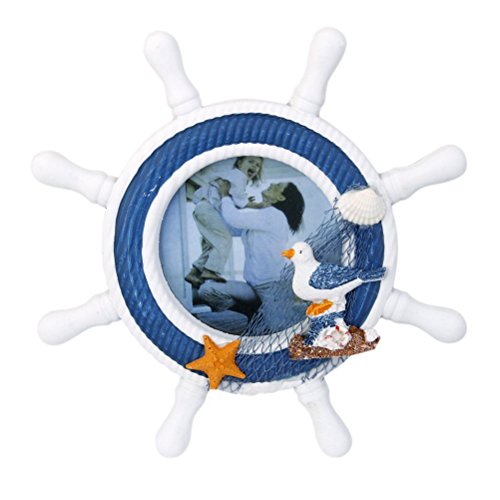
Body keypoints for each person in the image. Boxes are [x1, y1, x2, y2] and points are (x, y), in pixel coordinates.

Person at [198, 181, 305, 333]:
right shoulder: (262, 216)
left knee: (276, 330)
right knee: (207, 290)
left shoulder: (274, 215)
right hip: (252, 287)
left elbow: (234, 218)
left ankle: (262, 313)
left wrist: (225, 195)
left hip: (271, 287)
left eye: (277, 186)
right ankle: (251, 311)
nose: (272, 184)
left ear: (280, 198)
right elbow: (231, 227)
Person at [185, 156, 265, 287]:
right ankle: (210, 270)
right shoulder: (238, 176)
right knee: (224, 239)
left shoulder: (232, 176)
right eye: (251, 162)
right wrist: (257, 205)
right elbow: (239, 200)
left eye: (258, 165)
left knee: (212, 245)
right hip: (208, 209)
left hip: (202, 208)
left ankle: (194, 273)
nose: (254, 167)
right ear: (239, 163)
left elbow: (229, 198)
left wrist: (241, 201)